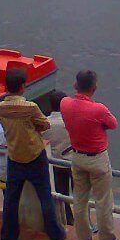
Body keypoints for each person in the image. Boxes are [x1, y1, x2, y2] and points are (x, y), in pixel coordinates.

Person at [0, 67, 66, 240]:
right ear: (22, 87)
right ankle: (55, 235)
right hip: (35, 155)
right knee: (45, 197)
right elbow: (44, 124)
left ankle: (8, 239)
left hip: (14, 156)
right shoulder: (30, 107)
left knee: (11, 199)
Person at [61, 71, 120, 240]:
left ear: (75, 86)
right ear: (94, 88)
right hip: (97, 159)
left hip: (77, 157)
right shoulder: (98, 109)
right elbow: (113, 124)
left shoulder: (64, 104)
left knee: (79, 200)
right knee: (103, 202)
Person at [44, 90, 75, 227]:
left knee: (61, 194)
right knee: (80, 194)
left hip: (55, 163)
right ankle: (84, 221)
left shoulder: (45, 123)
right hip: (74, 162)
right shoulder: (72, 121)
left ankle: (67, 219)